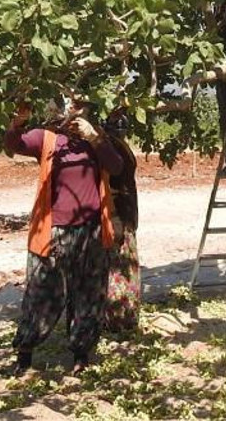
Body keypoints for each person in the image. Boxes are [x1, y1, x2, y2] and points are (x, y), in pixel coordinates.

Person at [3, 96, 124, 376]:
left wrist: (95, 138)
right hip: (52, 232)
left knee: (88, 294)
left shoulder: (97, 140)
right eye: (71, 105)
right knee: (42, 294)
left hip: (91, 231)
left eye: (81, 106)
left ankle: (81, 356)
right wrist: (17, 122)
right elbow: (13, 145)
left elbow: (116, 167)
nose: (75, 111)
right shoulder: (46, 138)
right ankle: (24, 356)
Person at [100, 107, 141, 332]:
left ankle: (123, 318)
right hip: (117, 214)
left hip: (125, 213)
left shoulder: (116, 146)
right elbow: (107, 184)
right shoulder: (109, 149)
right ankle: (118, 319)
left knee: (123, 265)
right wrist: (113, 215)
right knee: (118, 267)